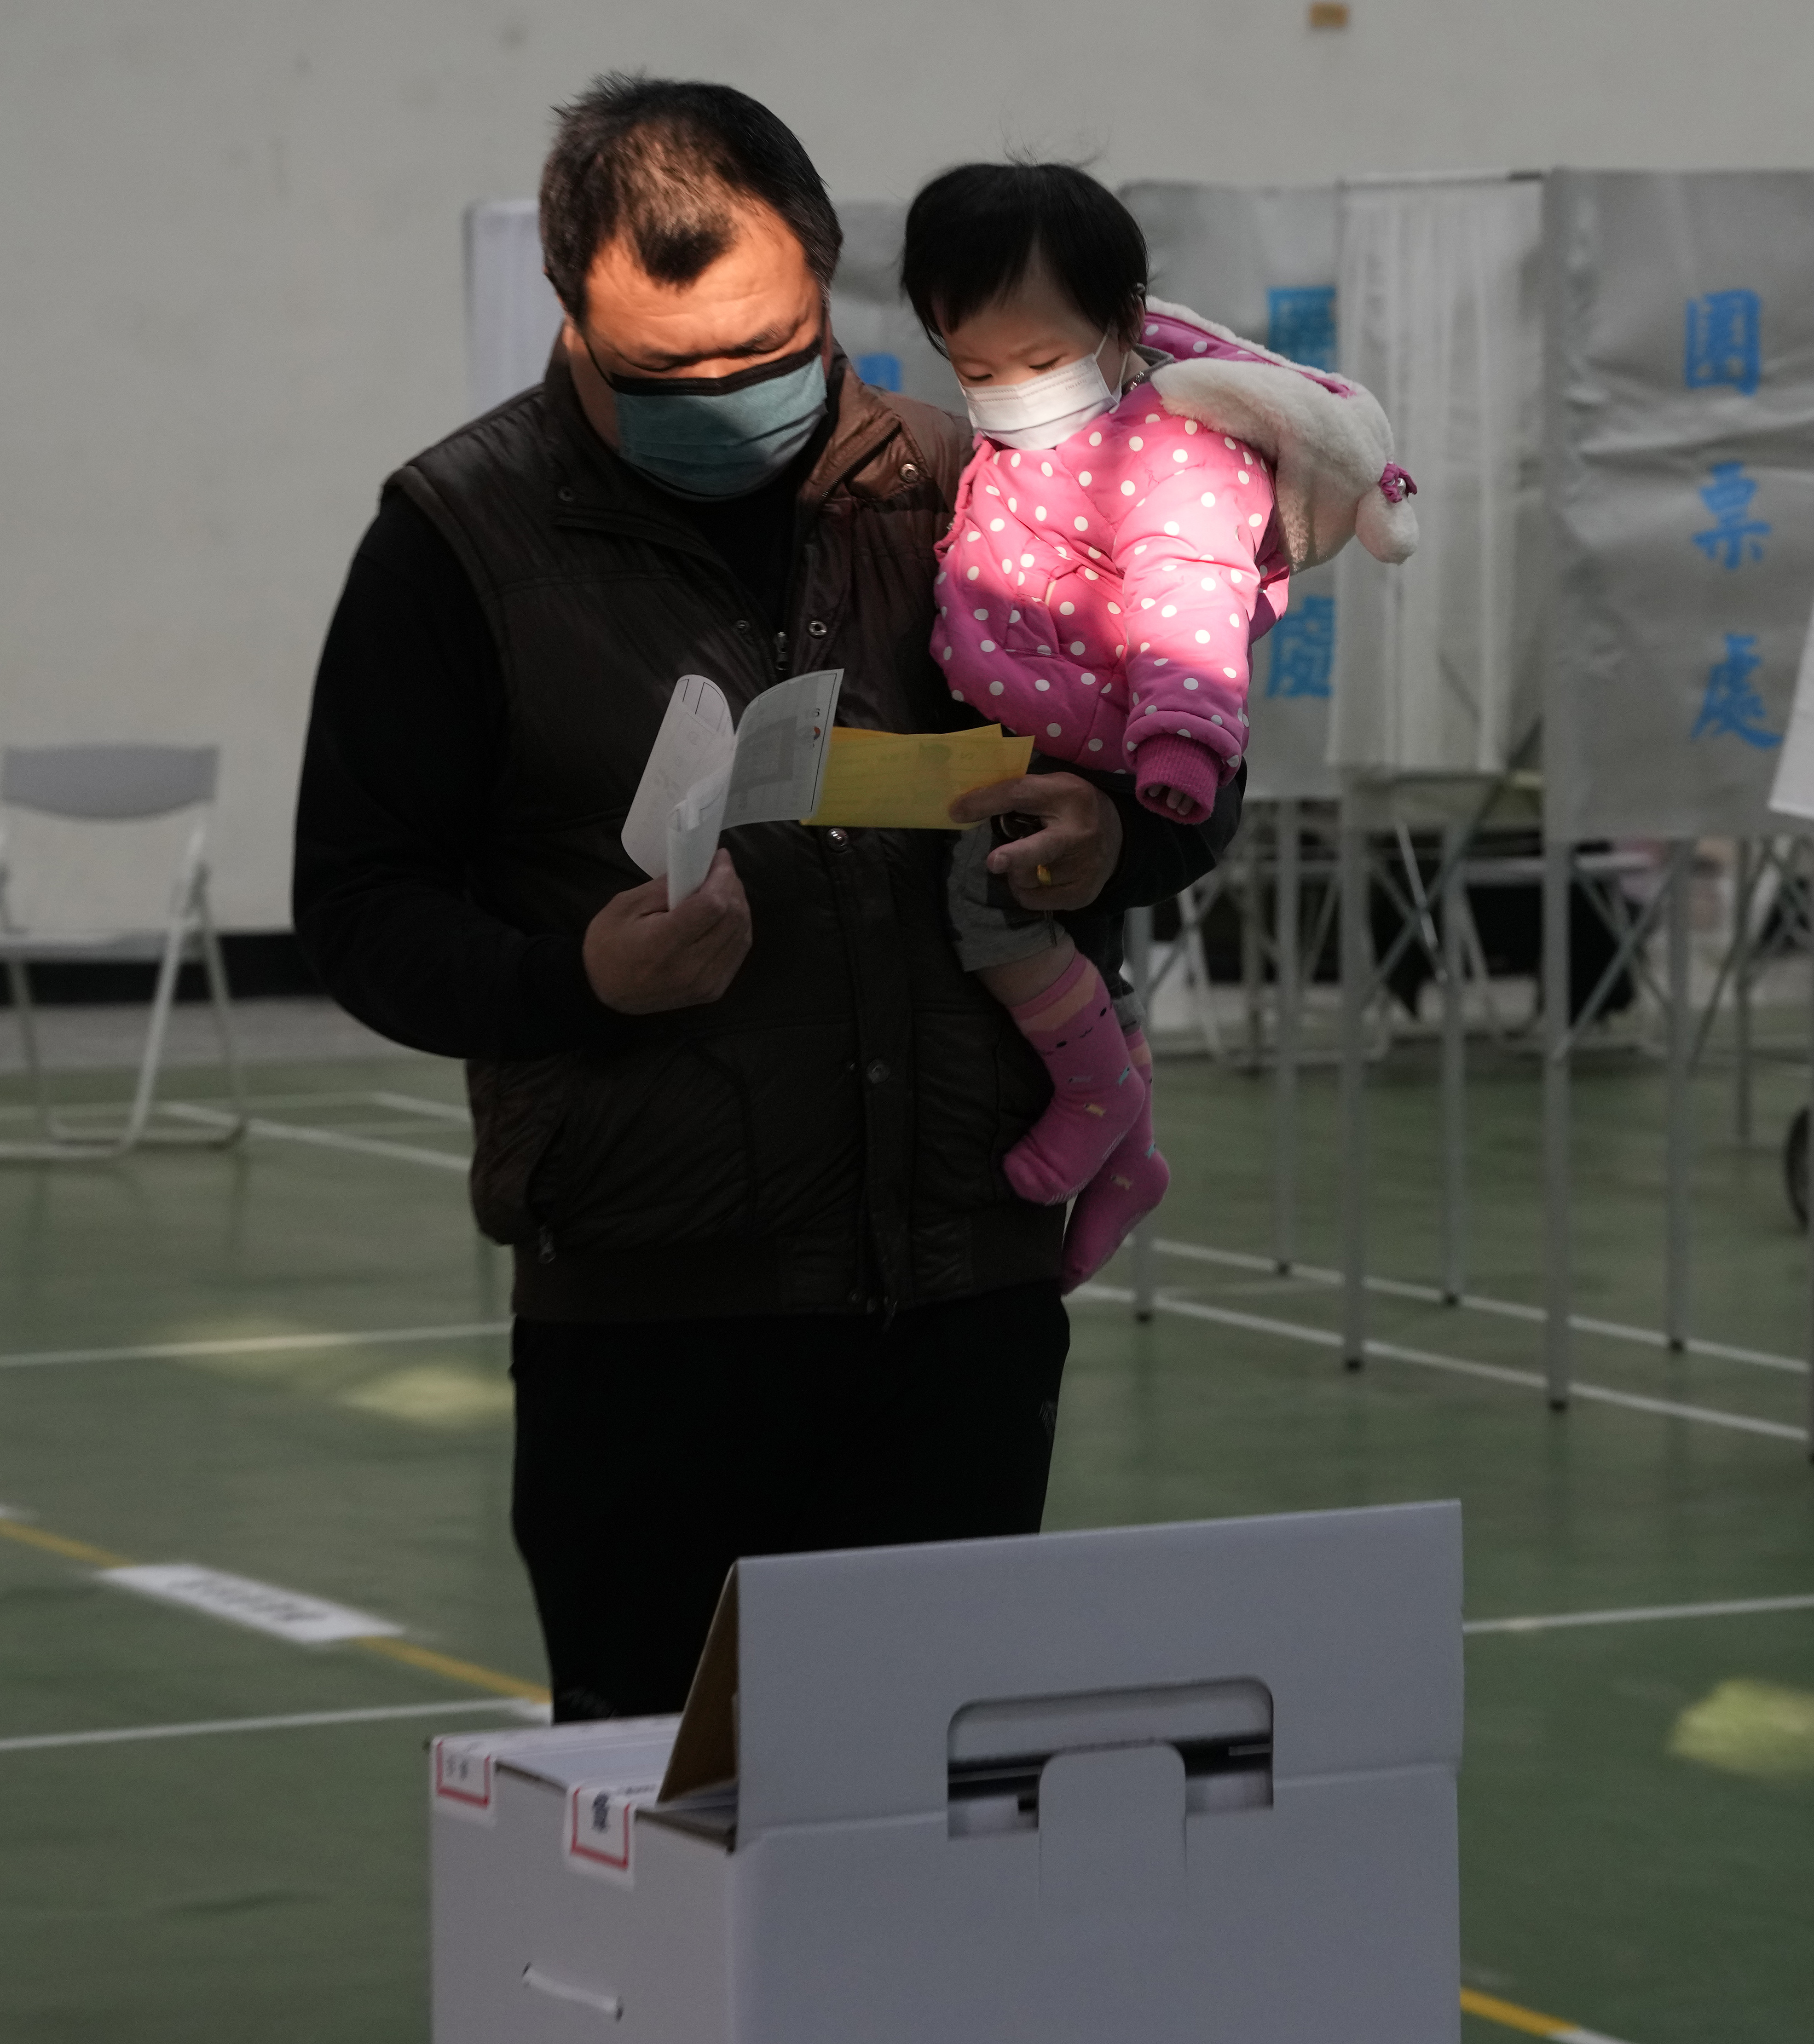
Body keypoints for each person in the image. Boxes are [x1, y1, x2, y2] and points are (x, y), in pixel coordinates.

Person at [291, 76, 1236, 1723]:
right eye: (669, 373)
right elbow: (360, 907)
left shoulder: (976, 482)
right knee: (671, 1793)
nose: (727, 396)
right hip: (658, 1326)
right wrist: (578, 976)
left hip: (962, 1298)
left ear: (824, 270)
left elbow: (1187, 764)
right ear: (571, 311)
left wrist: (1112, 834)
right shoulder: (458, 540)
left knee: (934, 1795)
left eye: (769, 349)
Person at [901, 160, 1407, 1288]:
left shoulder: (1168, 449)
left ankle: (1100, 1099)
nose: (1009, 390)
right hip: (1047, 728)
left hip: (1124, 746)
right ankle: (1128, 1158)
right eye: (975, 369)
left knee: (987, 905)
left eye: (1039, 361)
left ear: (1123, 325)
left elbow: (1189, 599)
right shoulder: (1038, 443)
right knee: (1079, 945)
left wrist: (1177, 746)